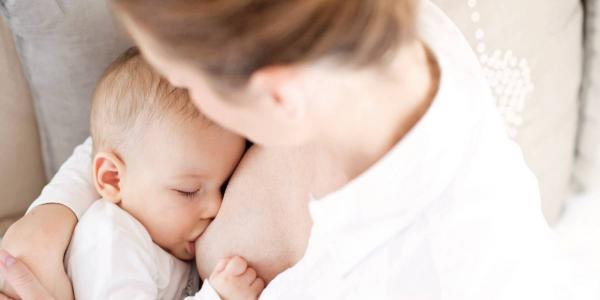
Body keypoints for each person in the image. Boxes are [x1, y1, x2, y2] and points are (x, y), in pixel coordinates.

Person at [0, 0, 573, 299]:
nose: (187, 96)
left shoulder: (389, 274)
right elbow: (147, 128)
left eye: (191, 83)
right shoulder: (347, 46)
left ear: (273, 95)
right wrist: (55, 215)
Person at [64, 47, 263, 300]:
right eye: (188, 191)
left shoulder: (161, 238)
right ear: (112, 178)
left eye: (224, 186)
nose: (216, 206)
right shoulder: (111, 239)